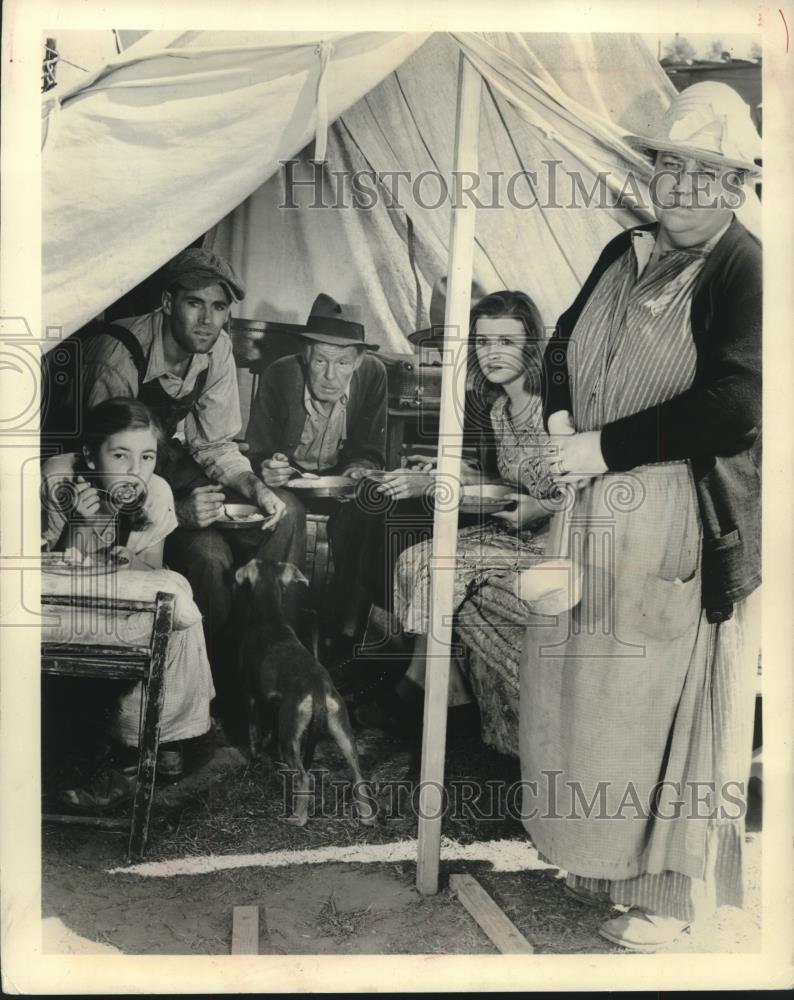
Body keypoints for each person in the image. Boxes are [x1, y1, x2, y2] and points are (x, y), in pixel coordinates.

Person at [521, 82, 762, 950]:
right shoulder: (623, 248)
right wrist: (559, 424)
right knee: (595, 690)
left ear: (738, 187)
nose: (685, 187)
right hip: (593, 507)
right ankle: (598, 868)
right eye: (671, 166)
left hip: (679, 522)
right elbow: (559, 346)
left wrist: (603, 449)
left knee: (666, 702)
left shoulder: (748, 269)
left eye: (710, 173)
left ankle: (666, 896)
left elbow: (736, 405)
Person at [43, 248, 302, 696]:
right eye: (194, 303)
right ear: (167, 303)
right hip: (102, 480)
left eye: (219, 307)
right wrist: (180, 511)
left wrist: (255, 487)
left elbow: (216, 444)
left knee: (284, 514)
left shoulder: (217, 346)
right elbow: (112, 468)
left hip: (167, 462)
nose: (207, 320)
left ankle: (269, 660)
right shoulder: (117, 353)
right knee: (208, 555)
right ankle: (204, 688)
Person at [370, 290, 558, 734]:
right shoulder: (498, 410)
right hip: (516, 531)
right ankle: (447, 689)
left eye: (506, 342)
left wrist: (540, 506)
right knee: (415, 556)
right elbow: (504, 483)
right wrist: (442, 474)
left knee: (438, 564)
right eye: (483, 340)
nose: (491, 353)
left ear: (531, 345)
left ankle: (420, 690)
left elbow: (583, 487)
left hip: (557, 537)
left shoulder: (553, 409)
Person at [41, 398, 216, 807]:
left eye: (147, 456)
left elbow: (149, 567)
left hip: (114, 597)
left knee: (172, 605)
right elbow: (45, 570)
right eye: (120, 455)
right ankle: (99, 757)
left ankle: (157, 735)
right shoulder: (58, 481)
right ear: (89, 453)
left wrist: (124, 557)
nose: (135, 470)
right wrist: (82, 528)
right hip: (56, 604)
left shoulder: (155, 491)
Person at [245, 293, 388, 637]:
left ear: (358, 360)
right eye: (321, 360)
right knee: (285, 512)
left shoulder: (373, 375)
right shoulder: (280, 374)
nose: (329, 375)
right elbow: (256, 450)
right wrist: (269, 464)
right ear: (306, 354)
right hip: (289, 482)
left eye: (342, 364)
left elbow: (370, 450)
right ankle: (278, 631)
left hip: (339, 483)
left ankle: (345, 630)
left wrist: (359, 469)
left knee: (372, 506)